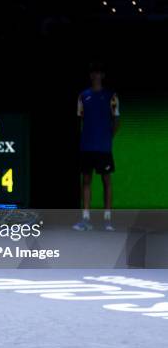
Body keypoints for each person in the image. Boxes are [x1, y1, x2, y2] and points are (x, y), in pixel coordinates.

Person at [73, 63, 120, 231]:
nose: (96, 76)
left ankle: (107, 220)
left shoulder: (111, 96)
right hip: (87, 146)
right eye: (93, 72)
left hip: (103, 147)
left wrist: (107, 138)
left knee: (106, 181)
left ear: (103, 75)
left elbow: (116, 120)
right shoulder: (83, 96)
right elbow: (80, 120)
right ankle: (85, 220)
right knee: (86, 181)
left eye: (99, 73)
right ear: (91, 75)